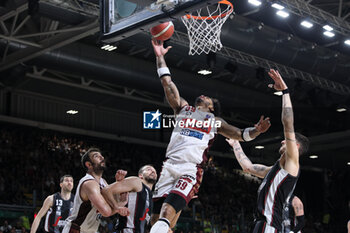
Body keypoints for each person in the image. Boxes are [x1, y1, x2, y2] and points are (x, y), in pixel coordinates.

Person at [150, 39, 271, 233]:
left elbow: (241, 134)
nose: (204, 95)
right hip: (168, 165)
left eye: (208, 98)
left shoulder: (215, 122)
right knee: (156, 221)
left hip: (190, 169)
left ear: (211, 107)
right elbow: (167, 82)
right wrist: (159, 56)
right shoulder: (183, 108)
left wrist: (257, 130)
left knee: (165, 214)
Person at [226, 69, 309, 233]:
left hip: (270, 226)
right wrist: (236, 144)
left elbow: (288, 123)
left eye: (287, 140)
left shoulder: (292, 161)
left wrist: (285, 91)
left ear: (296, 146)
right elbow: (248, 167)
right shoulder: (276, 171)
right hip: (263, 225)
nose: (283, 140)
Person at [62, 148, 129, 233]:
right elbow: (107, 212)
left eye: (101, 155)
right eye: (96, 156)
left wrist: (118, 183)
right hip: (76, 229)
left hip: (91, 230)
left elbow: (114, 201)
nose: (101, 157)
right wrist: (120, 206)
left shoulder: (103, 182)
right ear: (89, 164)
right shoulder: (89, 183)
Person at [113, 165, 158, 233]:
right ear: (140, 175)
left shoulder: (150, 195)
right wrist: (118, 183)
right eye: (149, 169)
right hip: (127, 230)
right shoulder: (136, 184)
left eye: (154, 171)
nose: (152, 171)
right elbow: (110, 192)